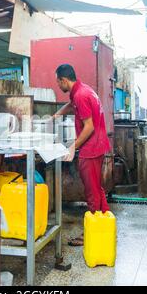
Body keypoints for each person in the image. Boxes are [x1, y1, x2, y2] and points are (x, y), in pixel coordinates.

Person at [53, 64, 111, 246]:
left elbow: (89, 126)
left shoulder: (81, 95)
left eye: (58, 82)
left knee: (92, 191)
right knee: (97, 188)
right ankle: (104, 226)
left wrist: (73, 147)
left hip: (91, 148)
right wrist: (57, 114)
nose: (58, 85)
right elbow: (72, 105)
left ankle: (90, 234)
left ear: (64, 80)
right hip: (98, 145)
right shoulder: (82, 90)